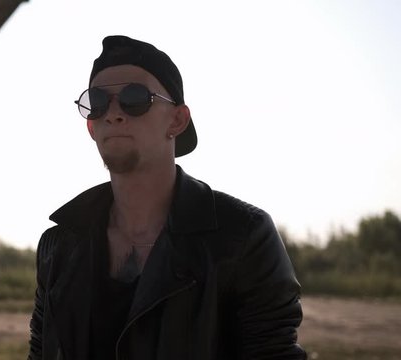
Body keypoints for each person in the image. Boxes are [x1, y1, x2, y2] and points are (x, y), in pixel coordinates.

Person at [28, 35, 306, 359]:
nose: (113, 113)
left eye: (135, 98)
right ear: (91, 126)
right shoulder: (58, 246)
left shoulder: (243, 237)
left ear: (177, 120)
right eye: (98, 101)